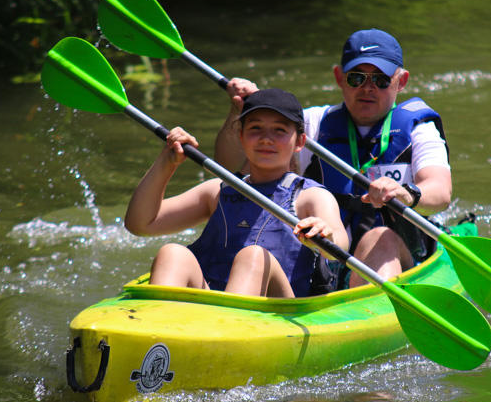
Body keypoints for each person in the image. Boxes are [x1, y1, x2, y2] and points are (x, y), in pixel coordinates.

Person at [215, 29, 451, 291]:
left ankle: (369, 314)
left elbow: (440, 191)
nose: (368, 88)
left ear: (402, 81)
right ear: (339, 78)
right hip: (324, 255)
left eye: (381, 80)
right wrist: (250, 112)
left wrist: (407, 194)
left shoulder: (418, 129)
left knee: (379, 238)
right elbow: (231, 169)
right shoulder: (313, 124)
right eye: (356, 78)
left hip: (402, 253)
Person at [124, 88, 348, 298]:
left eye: (279, 130)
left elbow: (340, 245)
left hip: (280, 312)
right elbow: (141, 224)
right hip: (215, 308)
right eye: (255, 129)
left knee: (254, 256)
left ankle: (225, 335)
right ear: (241, 137)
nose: (266, 138)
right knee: (172, 253)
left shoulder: (309, 196)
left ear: (299, 142)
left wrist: (326, 236)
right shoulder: (217, 191)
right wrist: (167, 162)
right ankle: (161, 334)